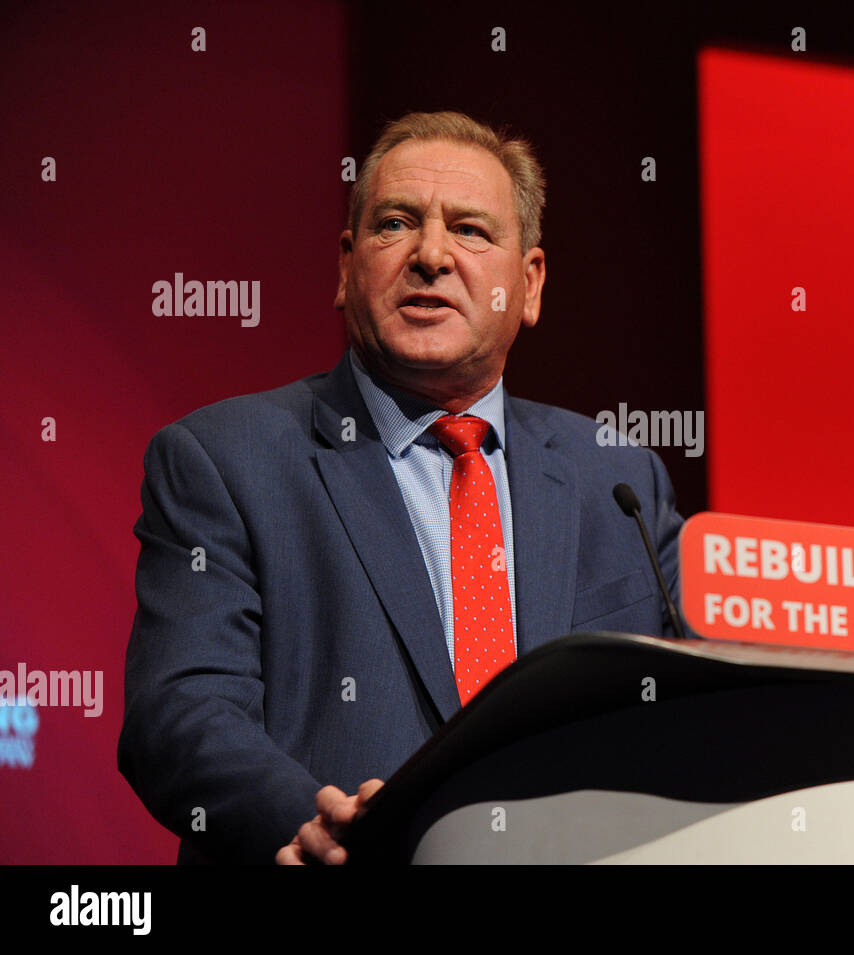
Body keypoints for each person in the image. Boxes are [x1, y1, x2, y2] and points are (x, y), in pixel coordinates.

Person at [118, 111, 686, 865]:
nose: (431, 256)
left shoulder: (619, 476)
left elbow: (695, 705)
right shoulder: (224, 459)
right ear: (347, 267)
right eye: (395, 224)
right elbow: (179, 713)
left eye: (472, 231)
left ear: (530, 284)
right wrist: (314, 822)